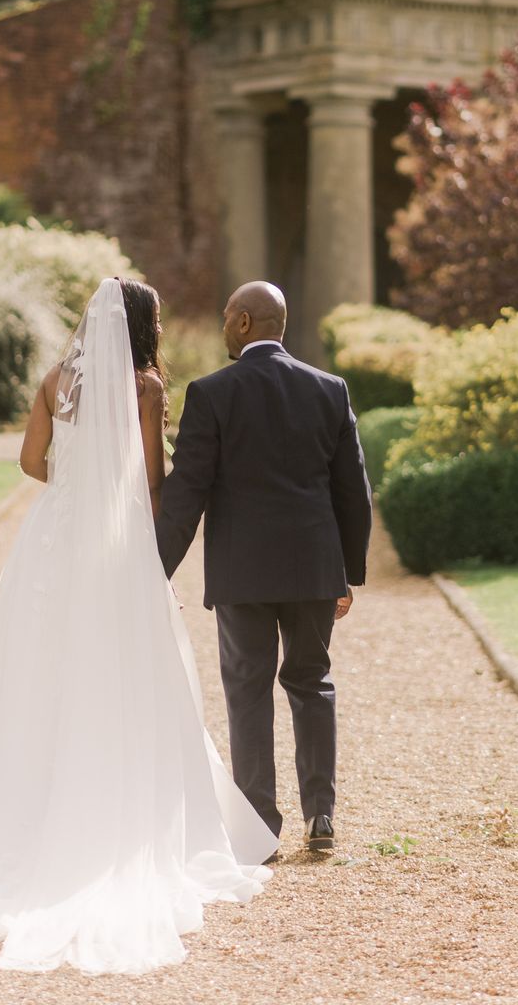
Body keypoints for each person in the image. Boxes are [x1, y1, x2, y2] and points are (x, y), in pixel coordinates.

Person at [0, 277, 277, 976]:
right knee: (120, 667)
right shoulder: (147, 387)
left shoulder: (54, 380)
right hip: (116, 538)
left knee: (36, 664)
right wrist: (134, 525)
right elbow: (154, 479)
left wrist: (75, 483)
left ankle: (22, 804)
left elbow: (31, 461)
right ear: (140, 325)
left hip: (52, 537)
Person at [155, 281, 373, 854]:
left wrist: (154, 568)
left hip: (243, 575)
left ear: (246, 323)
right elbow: (355, 491)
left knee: (247, 692)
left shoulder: (211, 394)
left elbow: (186, 496)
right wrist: (347, 573)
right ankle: (321, 817)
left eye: (228, 316)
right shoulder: (330, 389)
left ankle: (259, 828)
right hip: (312, 571)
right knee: (312, 684)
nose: (224, 325)